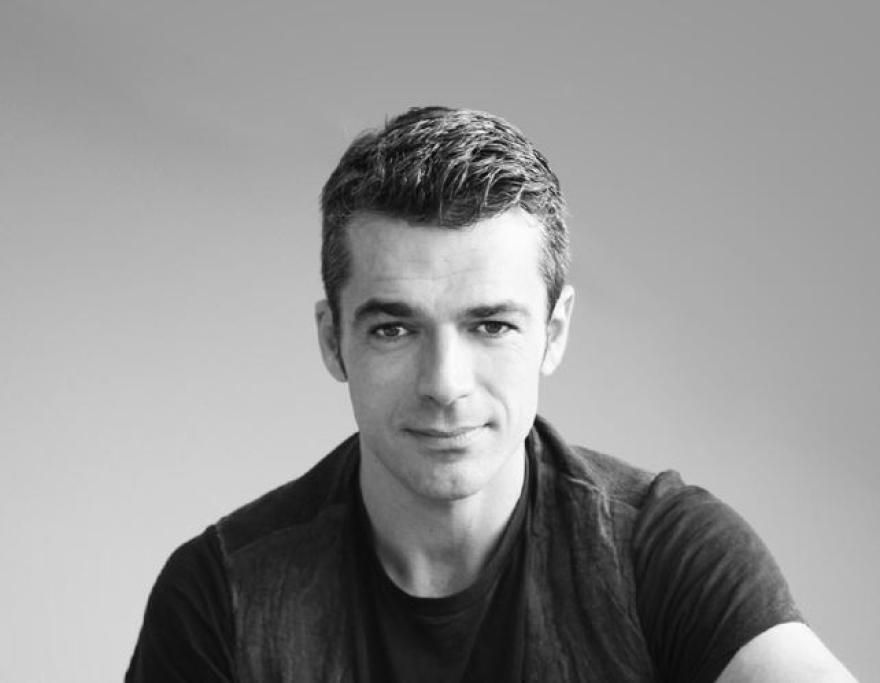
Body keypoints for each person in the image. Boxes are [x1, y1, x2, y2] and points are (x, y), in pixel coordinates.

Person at [126, 106, 856, 682]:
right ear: (332, 339)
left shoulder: (666, 553)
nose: (445, 384)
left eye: (491, 326)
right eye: (393, 329)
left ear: (554, 332)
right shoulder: (222, 593)